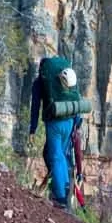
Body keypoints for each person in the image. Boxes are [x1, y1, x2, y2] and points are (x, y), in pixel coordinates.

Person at [29, 52, 88, 207]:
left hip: (54, 124)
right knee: (59, 156)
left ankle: (60, 198)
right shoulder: (66, 81)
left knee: (56, 158)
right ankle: (64, 187)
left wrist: (32, 129)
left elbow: (35, 107)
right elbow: (75, 99)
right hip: (69, 121)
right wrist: (76, 123)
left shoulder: (40, 83)